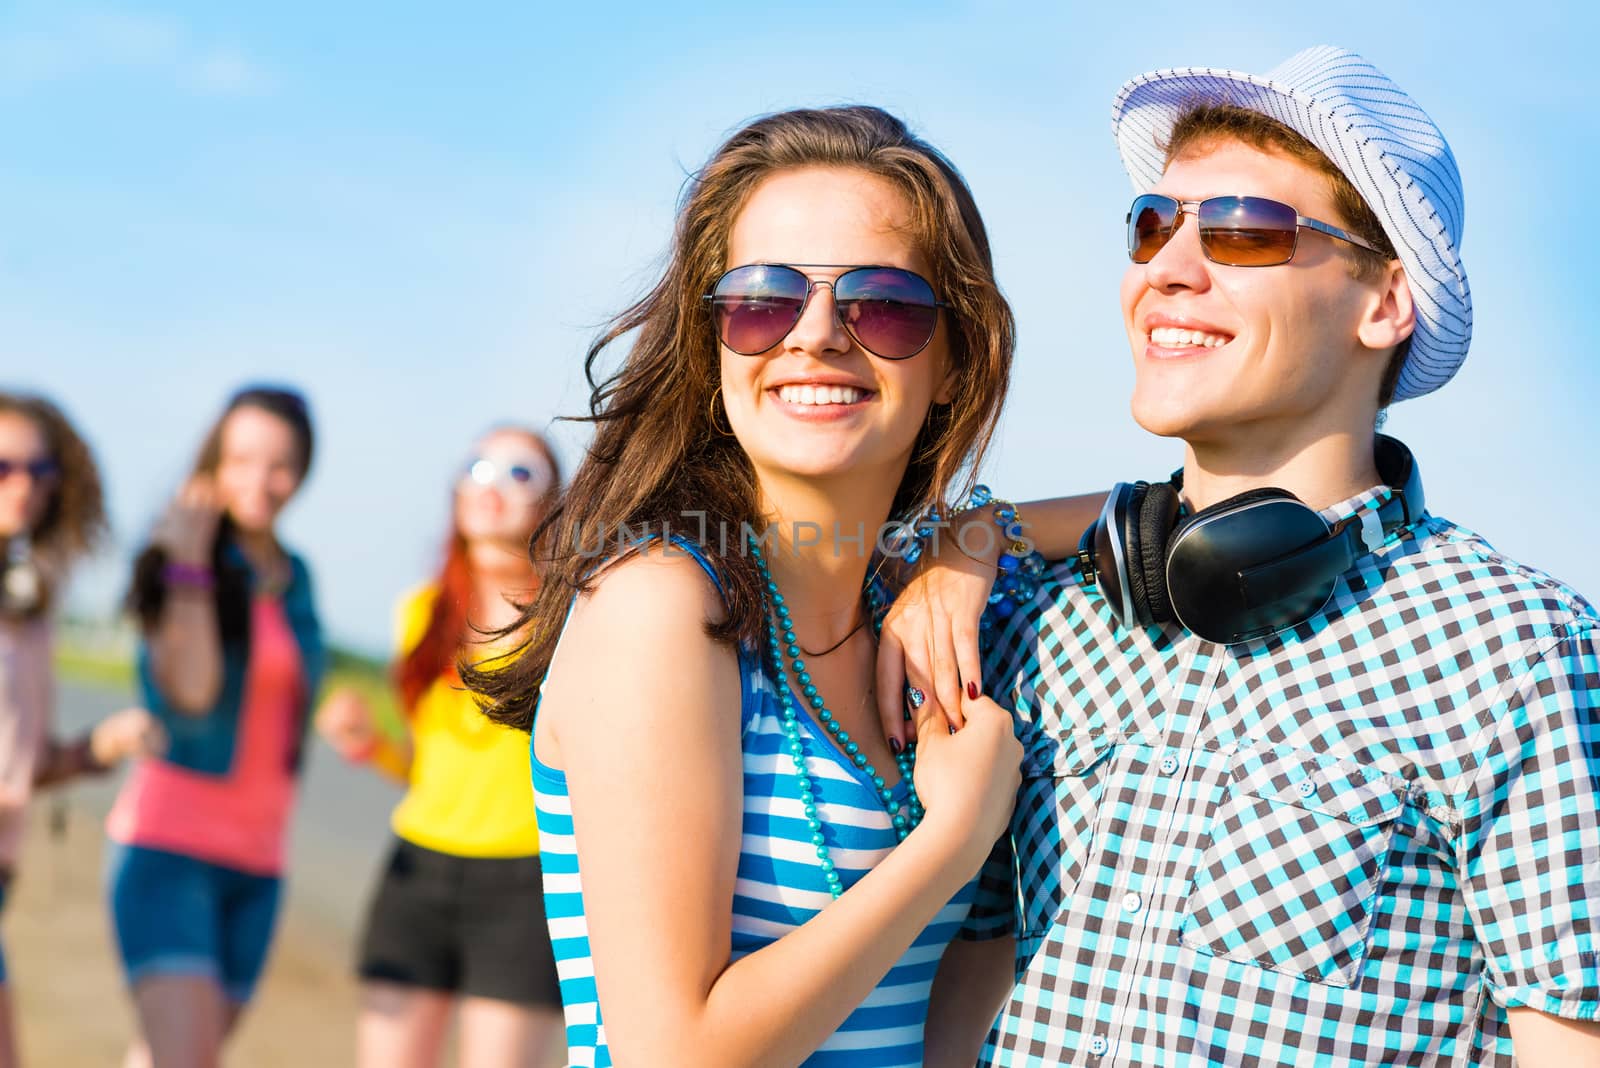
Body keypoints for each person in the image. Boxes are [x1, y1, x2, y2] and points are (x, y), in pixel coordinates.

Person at [886, 45, 1600, 1066]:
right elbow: (968, 991)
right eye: (1152, 226)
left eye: (1243, 233)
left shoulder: (1515, 650)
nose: (1167, 268)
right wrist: (968, 536)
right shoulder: (1037, 615)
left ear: (1384, 302)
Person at [465, 104, 1041, 1066]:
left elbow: (1176, 505)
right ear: (715, 343)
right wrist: (952, 842)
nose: (815, 335)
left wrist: (978, 537)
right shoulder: (662, 605)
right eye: (762, 300)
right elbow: (672, 1053)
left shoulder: (917, 614)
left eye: (884, 304)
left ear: (955, 360)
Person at [317, 425, 565, 1068]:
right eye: (478, 467)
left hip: (525, 880)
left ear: (552, 503)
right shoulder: (420, 612)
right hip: (416, 871)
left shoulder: (570, 617)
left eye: (519, 473)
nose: (492, 485)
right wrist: (370, 744)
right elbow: (423, 766)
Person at [107, 385, 325, 1068]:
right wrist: (193, 561)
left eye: (281, 464)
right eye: (241, 460)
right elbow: (195, 692)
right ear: (212, 464)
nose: (261, 481)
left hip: (260, 866)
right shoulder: (178, 560)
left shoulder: (298, 577)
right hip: (170, 851)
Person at [0, 392, 165, 1068]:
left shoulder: (32, 603)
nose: (24, 487)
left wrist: (99, 748)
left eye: (41, 472)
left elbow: (23, 770)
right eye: (3, 467)